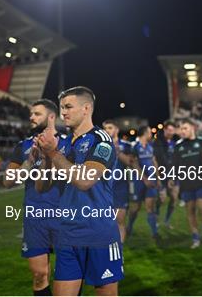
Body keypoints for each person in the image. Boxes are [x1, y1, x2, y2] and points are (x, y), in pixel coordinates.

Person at [36, 86, 123, 295]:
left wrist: (53, 153)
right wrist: (45, 158)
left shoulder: (101, 140)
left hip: (98, 234)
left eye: (68, 107)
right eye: (61, 108)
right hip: (67, 234)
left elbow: (85, 181)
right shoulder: (63, 144)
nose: (63, 112)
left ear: (86, 108)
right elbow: (41, 186)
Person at [4, 99, 69, 296]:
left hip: (65, 215)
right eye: (31, 114)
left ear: (51, 117)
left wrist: (52, 154)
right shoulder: (23, 146)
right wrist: (29, 163)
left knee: (68, 275)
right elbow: (8, 181)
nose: (31, 117)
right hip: (35, 215)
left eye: (37, 114)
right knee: (40, 274)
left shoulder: (69, 142)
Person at [174, 118, 202, 249]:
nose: (182, 131)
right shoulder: (178, 146)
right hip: (186, 185)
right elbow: (175, 166)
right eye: (181, 129)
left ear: (192, 128)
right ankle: (195, 237)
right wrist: (174, 182)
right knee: (190, 211)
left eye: (185, 128)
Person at [103, 119, 135, 243]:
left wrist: (118, 152)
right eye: (105, 128)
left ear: (117, 129)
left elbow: (130, 163)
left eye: (110, 128)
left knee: (120, 219)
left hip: (121, 186)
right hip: (104, 188)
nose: (107, 131)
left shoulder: (126, 145)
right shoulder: (100, 146)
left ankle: (119, 249)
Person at [128, 126, 161, 243]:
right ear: (144, 133)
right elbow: (134, 164)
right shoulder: (135, 147)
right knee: (135, 208)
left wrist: (157, 178)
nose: (151, 134)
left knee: (150, 207)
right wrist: (144, 178)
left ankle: (154, 233)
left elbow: (154, 162)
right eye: (149, 132)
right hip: (138, 182)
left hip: (151, 181)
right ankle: (129, 227)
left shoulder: (150, 146)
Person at [153, 120, 179, 228]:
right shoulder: (158, 142)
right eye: (169, 130)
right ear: (165, 130)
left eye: (173, 130)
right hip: (163, 173)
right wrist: (159, 177)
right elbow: (156, 160)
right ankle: (157, 216)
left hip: (174, 174)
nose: (171, 132)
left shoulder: (176, 141)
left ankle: (167, 221)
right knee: (162, 199)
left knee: (173, 198)